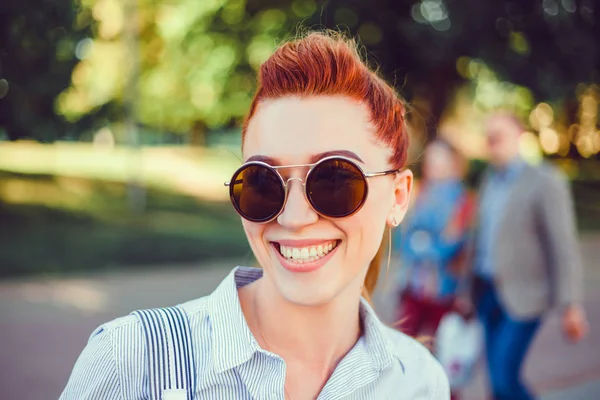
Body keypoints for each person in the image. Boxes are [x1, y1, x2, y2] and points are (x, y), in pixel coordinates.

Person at [59, 31, 450, 399]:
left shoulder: (420, 382)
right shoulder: (130, 362)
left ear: (398, 197)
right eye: (263, 181)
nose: (295, 217)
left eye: (335, 179)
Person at [470, 112, 588, 400]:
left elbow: (563, 245)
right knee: (495, 382)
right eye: (489, 137)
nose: (492, 143)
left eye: (499, 136)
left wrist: (570, 303)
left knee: (504, 379)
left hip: (525, 296)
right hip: (486, 292)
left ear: (520, 135)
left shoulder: (545, 180)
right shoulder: (489, 180)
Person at [395, 139, 475, 339]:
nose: (432, 163)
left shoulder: (461, 201)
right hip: (413, 286)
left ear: (452, 162)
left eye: (438, 158)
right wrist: (426, 243)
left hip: (444, 291)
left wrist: (421, 243)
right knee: (404, 343)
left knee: (436, 348)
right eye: (430, 158)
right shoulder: (418, 193)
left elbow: (448, 247)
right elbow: (402, 239)